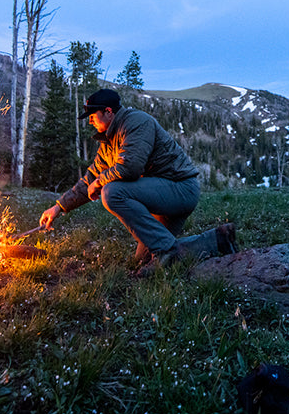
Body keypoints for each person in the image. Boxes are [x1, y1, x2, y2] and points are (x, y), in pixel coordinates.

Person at [39, 88, 237, 276]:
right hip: (161, 197)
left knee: (112, 192)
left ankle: (167, 250)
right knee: (143, 259)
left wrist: (99, 182)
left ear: (108, 112)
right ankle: (218, 239)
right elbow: (90, 178)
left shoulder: (136, 122)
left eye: (92, 116)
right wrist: (59, 207)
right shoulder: (108, 142)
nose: (90, 121)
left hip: (180, 189)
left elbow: (130, 167)